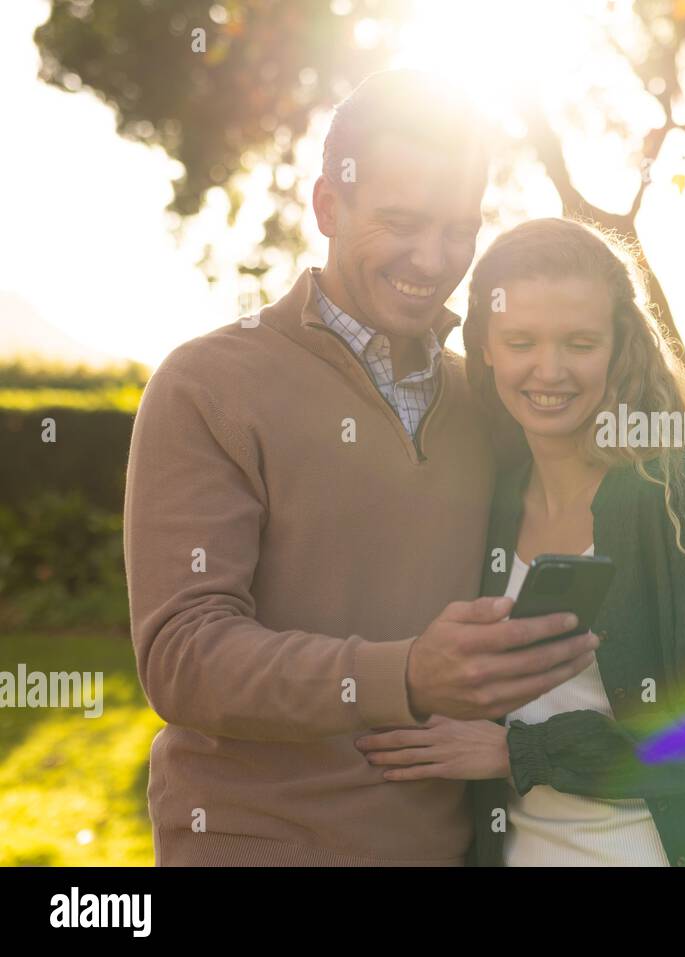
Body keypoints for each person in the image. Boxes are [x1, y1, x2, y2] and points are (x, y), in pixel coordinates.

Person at [122, 70, 597, 866]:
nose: (434, 257)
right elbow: (182, 656)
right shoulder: (206, 385)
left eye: (458, 228)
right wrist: (405, 674)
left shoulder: (485, 398)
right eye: (402, 222)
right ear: (327, 207)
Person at [354, 218, 685, 866]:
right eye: (521, 340)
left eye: (580, 342)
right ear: (486, 346)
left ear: (616, 346)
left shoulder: (670, 494)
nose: (549, 370)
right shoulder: (493, 499)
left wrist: (521, 753)